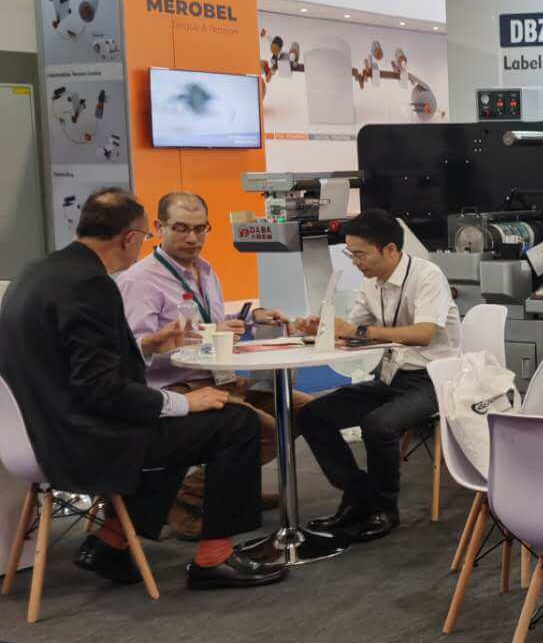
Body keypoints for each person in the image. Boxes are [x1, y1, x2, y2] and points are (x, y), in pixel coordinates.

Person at [0, 189, 285, 589]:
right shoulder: (92, 285)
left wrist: (147, 349)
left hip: (34, 433)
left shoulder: (37, 272)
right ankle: (214, 558)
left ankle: (112, 542)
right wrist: (182, 403)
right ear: (130, 237)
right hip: (76, 439)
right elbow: (102, 388)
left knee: (178, 425)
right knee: (235, 423)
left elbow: (80, 361)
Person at [116, 191, 296, 540]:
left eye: (200, 229)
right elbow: (133, 351)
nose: (192, 238)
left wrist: (251, 316)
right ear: (159, 227)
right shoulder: (140, 281)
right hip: (176, 387)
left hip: (218, 379)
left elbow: (208, 322)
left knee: (300, 411)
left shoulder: (205, 270)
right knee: (266, 430)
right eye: (181, 228)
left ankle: (231, 487)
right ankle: (187, 497)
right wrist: (199, 337)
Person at [295, 209, 461, 542]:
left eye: (360, 254)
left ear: (390, 249)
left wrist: (357, 331)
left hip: (433, 378)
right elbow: (354, 330)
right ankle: (358, 494)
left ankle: (384, 509)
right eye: (350, 254)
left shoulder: (427, 276)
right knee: (312, 415)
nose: (355, 263)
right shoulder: (370, 283)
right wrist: (322, 329)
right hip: (391, 376)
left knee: (379, 425)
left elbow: (424, 334)